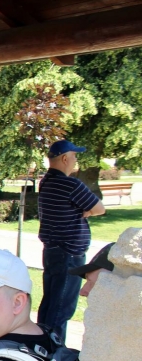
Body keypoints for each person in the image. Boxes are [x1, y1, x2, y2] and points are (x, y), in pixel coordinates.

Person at [36, 139, 105, 343]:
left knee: (50, 303)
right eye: (74, 156)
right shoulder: (70, 184)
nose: (76, 160)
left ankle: (40, 345)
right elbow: (100, 208)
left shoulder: (46, 181)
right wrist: (87, 211)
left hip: (52, 250)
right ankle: (52, 350)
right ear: (65, 158)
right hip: (68, 253)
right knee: (61, 308)